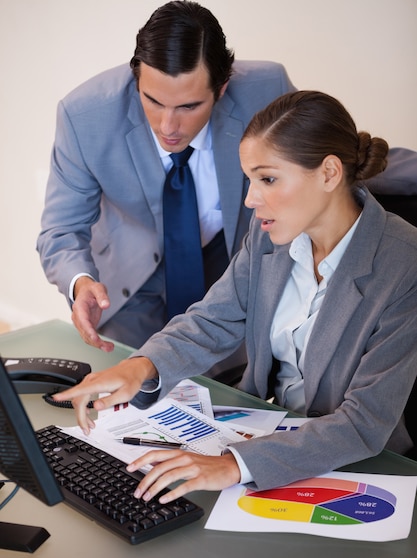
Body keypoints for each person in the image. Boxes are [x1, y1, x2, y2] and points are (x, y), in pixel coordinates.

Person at [55, 90, 417, 505]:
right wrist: (141, 367)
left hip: (361, 467)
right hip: (273, 434)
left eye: (268, 179)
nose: (250, 199)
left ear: (329, 173)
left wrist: (234, 464)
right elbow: (212, 320)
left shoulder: (405, 265)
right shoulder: (270, 239)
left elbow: (364, 423)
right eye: (249, 179)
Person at [37, 0, 295, 353]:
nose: (168, 127)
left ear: (221, 88)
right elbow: (61, 230)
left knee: (228, 387)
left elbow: (305, 184)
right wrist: (80, 283)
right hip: (131, 285)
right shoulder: (84, 116)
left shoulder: (268, 90)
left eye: (189, 107)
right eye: (153, 101)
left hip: (234, 269)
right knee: (133, 386)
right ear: (136, 78)